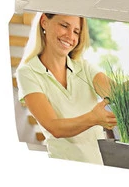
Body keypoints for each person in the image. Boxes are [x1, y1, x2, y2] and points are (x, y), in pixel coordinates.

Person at [15, 13, 117, 165]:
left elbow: (113, 91)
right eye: (64, 26)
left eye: (76, 31)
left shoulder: (84, 67)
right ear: (44, 22)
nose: (70, 36)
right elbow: (54, 127)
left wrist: (128, 89)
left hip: (99, 163)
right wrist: (93, 118)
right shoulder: (28, 73)